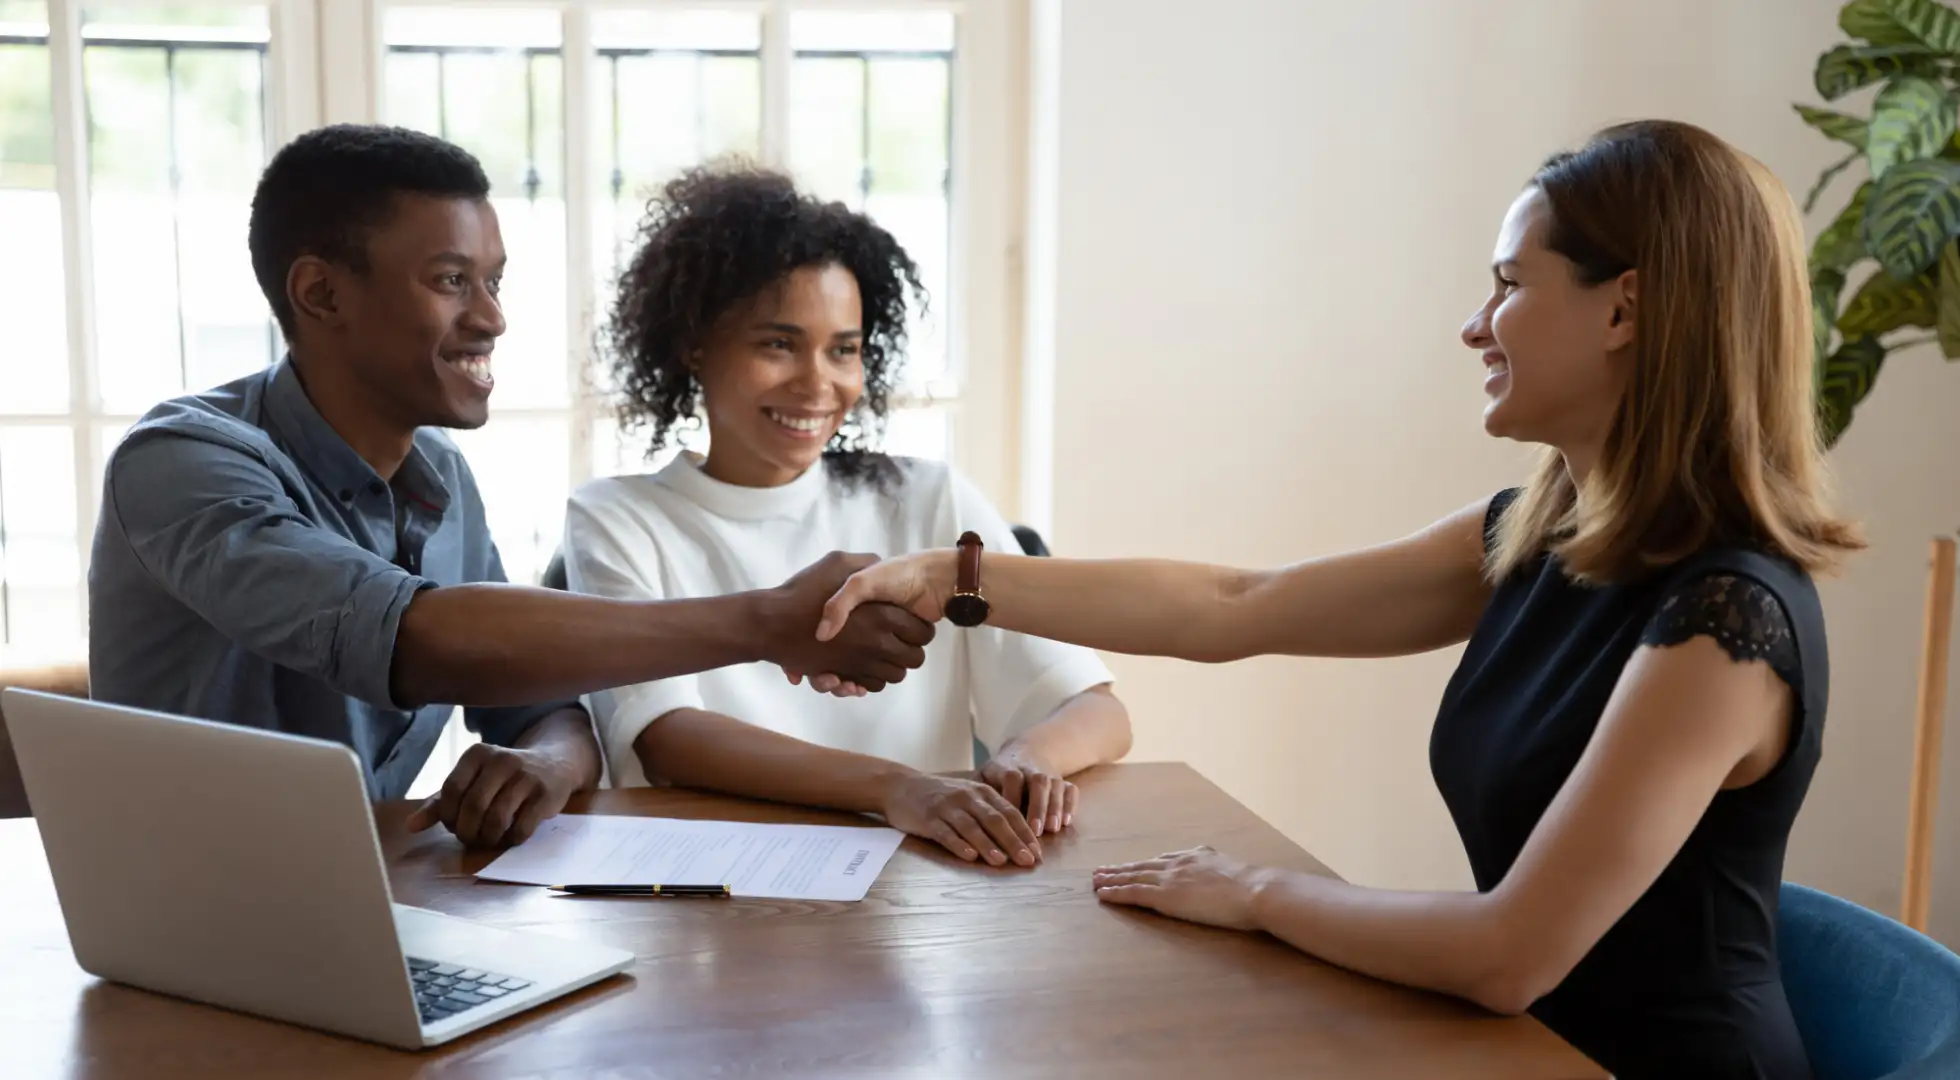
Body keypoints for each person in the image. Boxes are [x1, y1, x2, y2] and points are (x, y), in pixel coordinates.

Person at [814, 119, 1860, 1077]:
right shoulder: (1532, 538)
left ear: (1623, 309)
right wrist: (957, 579)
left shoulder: (1725, 624)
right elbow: (1234, 605)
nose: (1475, 325)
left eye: (1507, 284)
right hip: (1520, 1051)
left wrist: (1256, 892)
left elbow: (1507, 954)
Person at [87, 125, 933, 851]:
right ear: (320, 292)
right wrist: (768, 621)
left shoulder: (442, 478)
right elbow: (418, 641)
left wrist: (547, 763)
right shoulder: (183, 462)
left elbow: (540, 706)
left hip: (369, 900)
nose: (492, 317)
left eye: (494, 281)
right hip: (188, 920)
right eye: (452, 280)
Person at [562, 165, 1131, 868]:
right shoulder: (618, 518)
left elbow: (1098, 711)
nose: (817, 382)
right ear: (695, 345)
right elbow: (669, 738)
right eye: (778, 344)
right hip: (711, 895)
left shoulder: (927, 497)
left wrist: (1029, 754)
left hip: (924, 893)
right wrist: (899, 789)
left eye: (844, 349)